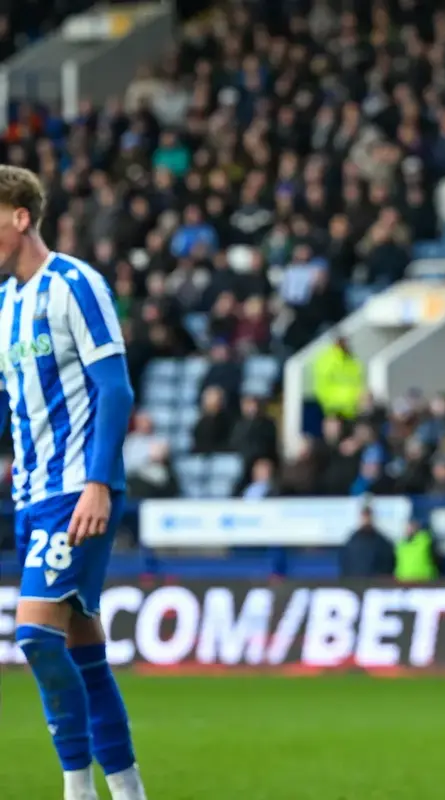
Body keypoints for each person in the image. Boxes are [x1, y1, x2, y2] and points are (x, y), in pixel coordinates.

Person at [0, 165, 147, 799]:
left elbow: (115, 389)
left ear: (20, 217)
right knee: (85, 654)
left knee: (35, 637)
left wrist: (97, 482)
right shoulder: (5, 305)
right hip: (31, 497)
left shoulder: (75, 284)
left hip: (76, 492)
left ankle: (77, 790)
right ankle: (130, 792)